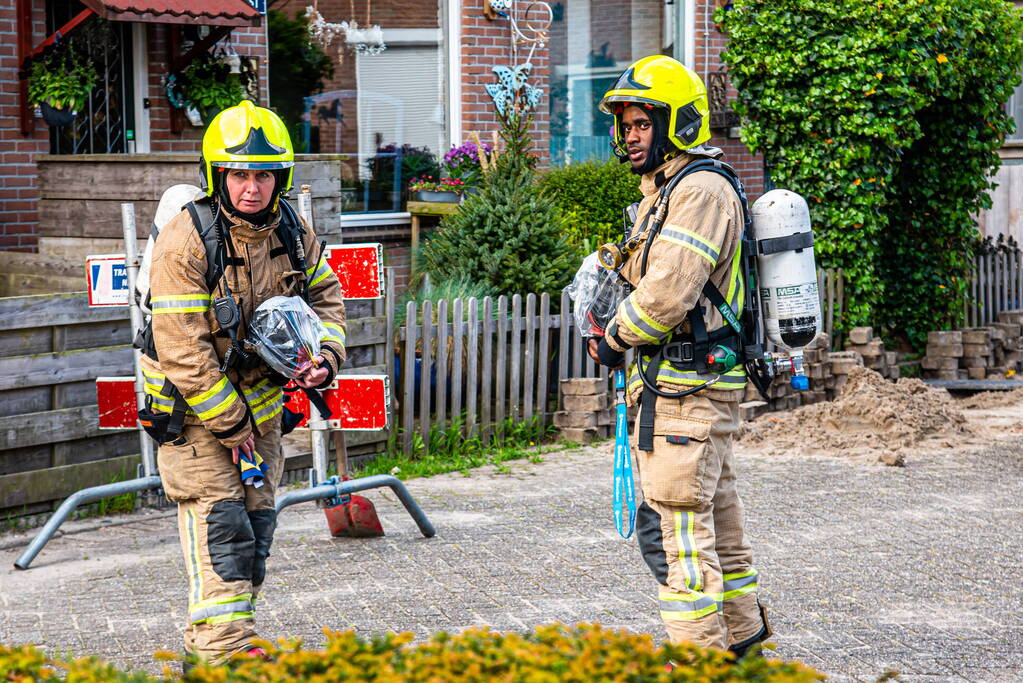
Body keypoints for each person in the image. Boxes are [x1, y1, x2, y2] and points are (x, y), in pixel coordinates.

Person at [140, 100, 347, 666]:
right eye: (239, 174)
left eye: (262, 174)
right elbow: (183, 348)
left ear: (279, 177)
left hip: (261, 416)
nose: (251, 188)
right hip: (198, 417)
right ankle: (224, 655)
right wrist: (231, 425)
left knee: (256, 531)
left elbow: (327, 298)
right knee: (223, 526)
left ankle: (212, 645)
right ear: (218, 176)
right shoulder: (186, 240)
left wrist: (323, 356)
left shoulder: (290, 229)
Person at [588, 56, 771, 657]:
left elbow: (668, 292)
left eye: (644, 123)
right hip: (680, 391)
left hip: (684, 395)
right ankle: (744, 645)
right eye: (626, 125)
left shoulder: (699, 190)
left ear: (680, 123)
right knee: (717, 527)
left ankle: (699, 659)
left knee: (676, 540)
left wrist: (614, 338)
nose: (631, 135)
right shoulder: (669, 189)